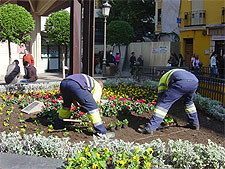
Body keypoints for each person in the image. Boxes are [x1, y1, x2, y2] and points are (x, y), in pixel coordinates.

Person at [138, 69, 200, 135]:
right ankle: (194, 124)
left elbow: (161, 95)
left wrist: (159, 105)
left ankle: (150, 128)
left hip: (181, 81)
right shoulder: (177, 71)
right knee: (189, 102)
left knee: (164, 103)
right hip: (194, 82)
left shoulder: (163, 79)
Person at [54, 74, 115, 138]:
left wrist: (78, 106)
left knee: (66, 105)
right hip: (75, 84)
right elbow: (94, 103)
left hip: (64, 83)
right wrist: (86, 109)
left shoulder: (87, 81)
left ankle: (59, 125)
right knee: (93, 107)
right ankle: (102, 132)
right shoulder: (98, 86)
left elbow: (73, 98)